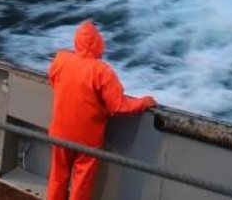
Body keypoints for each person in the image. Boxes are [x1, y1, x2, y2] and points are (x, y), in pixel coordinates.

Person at [46, 20, 157, 200]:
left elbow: (54, 81)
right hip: (87, 140)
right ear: (99, 43)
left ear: (77, 41)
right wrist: (143, 102)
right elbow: (119, 106)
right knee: (81, 183)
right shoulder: (102, 72)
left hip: (60, 133)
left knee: (58, 177)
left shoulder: (61, 60)